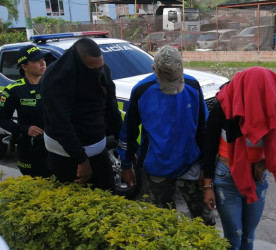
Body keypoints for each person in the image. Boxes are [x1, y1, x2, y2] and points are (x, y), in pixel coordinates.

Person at [117, 45, 215, 225]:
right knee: (164, 224)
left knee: (205, 222)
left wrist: (205, 169)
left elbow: (204, 130)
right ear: (153, 68)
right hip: (157, 168)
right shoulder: (141, 91)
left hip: (191, 164)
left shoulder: (193, 86)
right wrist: (126, 165)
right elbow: (129, 131)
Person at [203, 66, 276, 249]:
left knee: (248, 237)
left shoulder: (270, 108)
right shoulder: (223, 107)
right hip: (226, 179)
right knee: (233, 238)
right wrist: (208, 187)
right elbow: (208, 149)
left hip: (257, 181)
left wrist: (263, 163)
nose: (258, 99)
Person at [41, 38, 122, 192]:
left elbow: (111, 108)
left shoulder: (103, 70)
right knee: (75, 204)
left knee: (108, 195)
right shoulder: (54, 79)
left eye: (100, 66)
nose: (98, 72)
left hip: (97, 149)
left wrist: (125, 146)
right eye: (93, 68)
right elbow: (60, 123)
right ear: (78, 64)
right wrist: (82, 160)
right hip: (64, 153)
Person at [0, 45, 50, 177]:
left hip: (55, 146)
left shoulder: (53, 85)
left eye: (43, 59)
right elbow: (2, 119)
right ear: (24, 66)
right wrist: (25, 129)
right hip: (29, 149)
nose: (42, 63)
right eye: (36, 61)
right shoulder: (14, 89)